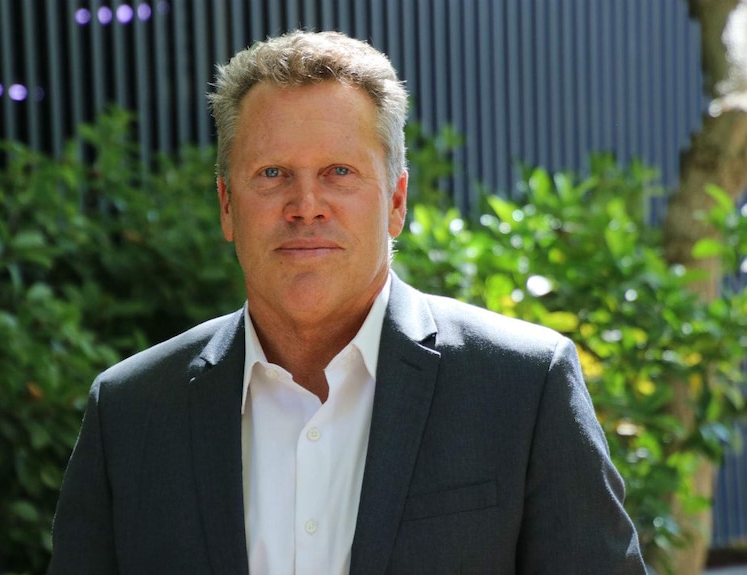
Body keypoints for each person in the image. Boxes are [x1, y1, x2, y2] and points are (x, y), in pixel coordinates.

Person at [48, 30, 647, 574]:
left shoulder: (523, 385)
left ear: (396, 201)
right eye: (272, 173)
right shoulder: (130, 412)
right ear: (228, 205)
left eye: (338, 171)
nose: (306, 205)